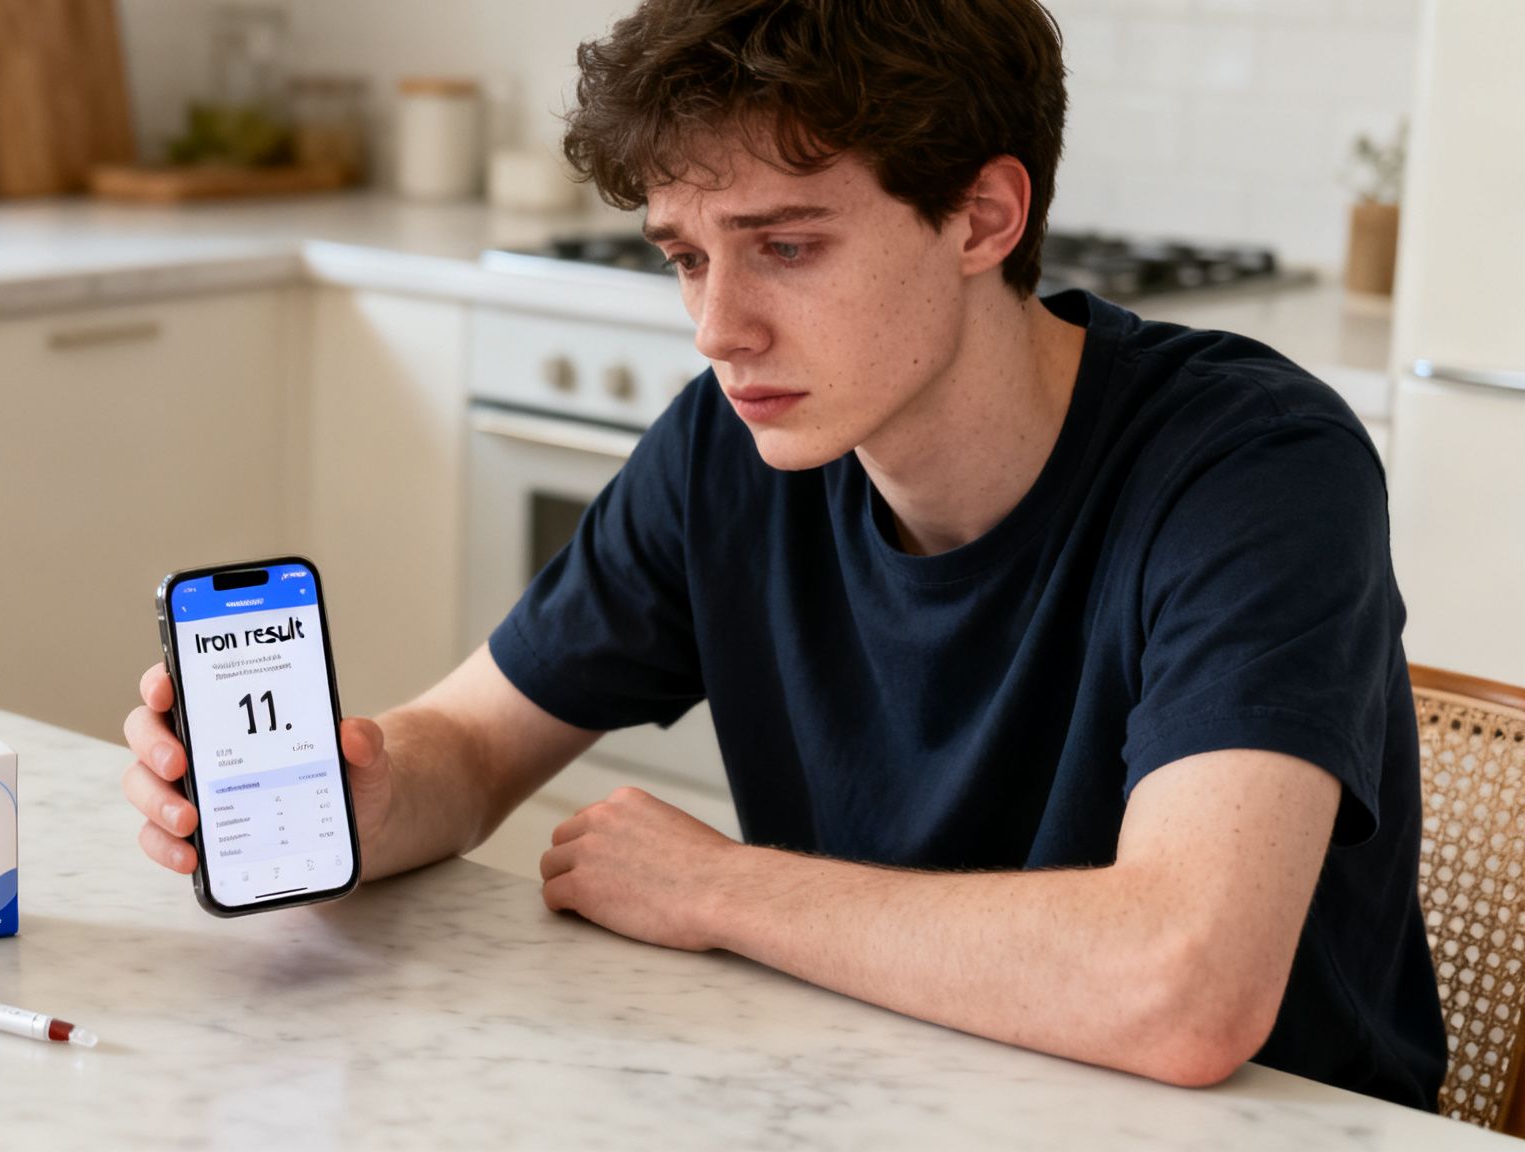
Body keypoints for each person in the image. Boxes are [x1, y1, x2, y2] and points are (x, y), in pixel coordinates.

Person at [122, 0, 1445, 1108]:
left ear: (984, 218)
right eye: (688, 256)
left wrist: (721, 891)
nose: (716, 327)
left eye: (786, 248)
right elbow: (466, 757)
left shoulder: (1256, 469)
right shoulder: (730, 455)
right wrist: (341, 796)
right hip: (893, 1099)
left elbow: (1185, 985)